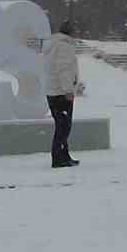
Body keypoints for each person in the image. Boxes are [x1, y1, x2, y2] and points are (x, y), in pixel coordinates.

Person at [43, 19, 83, 168]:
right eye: (76, 29)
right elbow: (64, 70)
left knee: (62, 126)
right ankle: (58, 158)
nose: (78, 32)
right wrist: (68, 90)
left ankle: (64, 155)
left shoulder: (53, 45)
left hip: (52, 91)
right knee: (63, 127)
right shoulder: (64, 47)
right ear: (70, 32)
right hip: (61, 93)